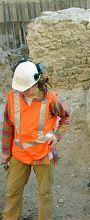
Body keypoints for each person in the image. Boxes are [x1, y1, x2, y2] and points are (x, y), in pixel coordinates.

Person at [1, 59, 70, 220]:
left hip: (43, 154)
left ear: (36, 82)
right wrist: (5, 152)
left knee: (45, 194)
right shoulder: (13, 98)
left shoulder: (51, 100)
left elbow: (67, 117)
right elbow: (7, 126)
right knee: (12, 191)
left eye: (27, 88)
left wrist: (57, 135)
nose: (23, 92)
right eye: (21, 89)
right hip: (19, 153)